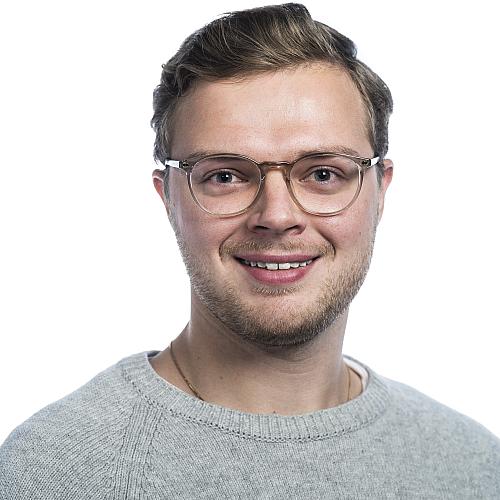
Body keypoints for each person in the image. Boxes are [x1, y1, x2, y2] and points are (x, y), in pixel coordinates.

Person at [1, 3, 499, 498]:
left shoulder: (474, 468)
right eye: (225, 176)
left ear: (380, 191)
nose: (277, 216)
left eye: (323, 173)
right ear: (168, 198)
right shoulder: (48, 473)